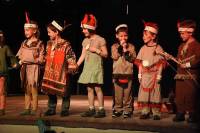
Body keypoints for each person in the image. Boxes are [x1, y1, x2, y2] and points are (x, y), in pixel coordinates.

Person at [41, 20, 77, 117]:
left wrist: (71, 67)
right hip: (50, 71)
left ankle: (65, 109)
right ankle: (51, 108)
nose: (48, 34)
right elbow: (46, 55)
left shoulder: (66, 44)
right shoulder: (48, 43)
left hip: (62, 71)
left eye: (49, 32)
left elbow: (71, 56)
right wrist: (42, 59)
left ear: (56, 32)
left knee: (65, 92)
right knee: (50, 90)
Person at [77, 14, 108, 118]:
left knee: (97, 88)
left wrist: (96, 50)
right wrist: (76, 65)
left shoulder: (100, 39)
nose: (83, 31)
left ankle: (101, 109)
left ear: (90, 29)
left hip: (96, 67)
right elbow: (83, 55)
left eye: (84, 29)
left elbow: (106, 54)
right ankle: (91, 108)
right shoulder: (85, 41)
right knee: (89, 89)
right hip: (87, 67)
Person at [134, 21, 166, 120]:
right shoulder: (143, 48)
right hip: (145, 75)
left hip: (154, 74)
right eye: (143, 34)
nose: (143, 37)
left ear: (153, 36)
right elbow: (140, 62)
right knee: (144, 93)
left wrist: (159, 75)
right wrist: (139, 74)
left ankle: (156, 112)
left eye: (146, 34)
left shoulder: (158, 48)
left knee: (155, 93)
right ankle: (145, 111)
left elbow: (161, 63)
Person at [173, 19, 200, 123]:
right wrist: (178, 60)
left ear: (190, 32)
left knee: (190, 94)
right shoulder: (181, 46)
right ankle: (180, 113)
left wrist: (187, 64)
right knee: (180, 94)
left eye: (183, 33)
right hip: (180, 75)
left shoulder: (196, 45)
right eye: (180, 33)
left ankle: (193, 114)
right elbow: (179, 57)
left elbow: (198, 59)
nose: (181, 36)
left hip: (191, 75)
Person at [16, 16, 45, 115]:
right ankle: (27, 108)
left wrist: (36, 60)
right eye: (25, 30)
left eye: (28, 30)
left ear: (34, 30)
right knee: (26, 88)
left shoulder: (39, 43)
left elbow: (41, 57)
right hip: (25, 68)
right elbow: (21, 55)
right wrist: (19, 62)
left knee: (33, 88)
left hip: (34, 68)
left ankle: (34, 108)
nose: (26, 32)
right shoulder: (24, 43)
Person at [111, 24, 136, 118]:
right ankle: (117, 109)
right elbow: (114, 56)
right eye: (121, 36)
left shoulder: (131, 46)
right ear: (117, 36)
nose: (123, 38)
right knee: (118, 94)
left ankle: (128, 109)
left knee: (127, 94)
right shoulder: (114, 46)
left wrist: (126, 50)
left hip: (128, 73)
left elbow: (132, 59)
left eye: (125, 35)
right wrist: (120, 48)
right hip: (117, 73)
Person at [0, 30, 18, 116]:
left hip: (2, 72)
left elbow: (11, 57)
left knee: (1, 91)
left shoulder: (5, 47)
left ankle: (2, 109)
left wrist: (14, 63)